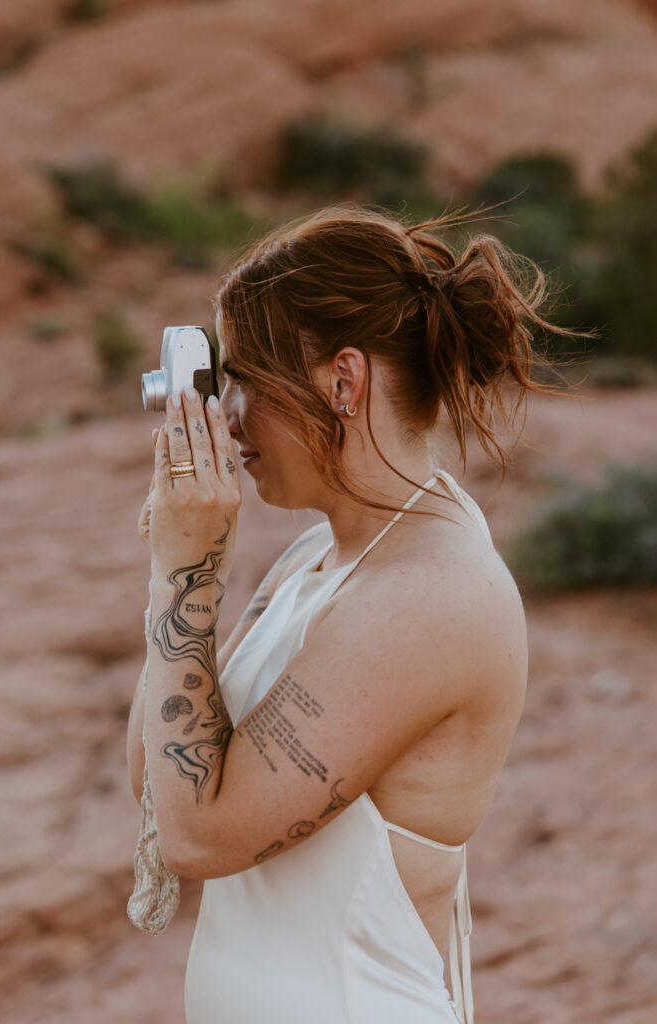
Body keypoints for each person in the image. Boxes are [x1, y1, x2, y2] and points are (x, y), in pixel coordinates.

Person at [126, 206, 569, 1023]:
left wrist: (184, 574)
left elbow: (199, 837)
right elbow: (158, 779)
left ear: (343, 381)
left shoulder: (433, 595)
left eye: (247, 377)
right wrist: (184, 569)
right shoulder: (321, 557)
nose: (226, 412)